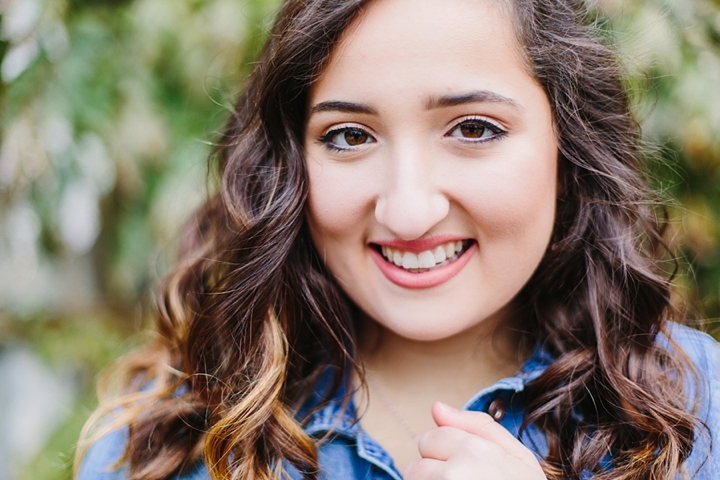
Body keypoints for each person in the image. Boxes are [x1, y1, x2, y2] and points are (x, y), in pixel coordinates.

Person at [75, 0, 720, 479]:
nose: (408, 212)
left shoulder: (700, 406)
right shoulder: (159, 447)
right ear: (290, 165)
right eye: (350, 136)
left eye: (473, 128)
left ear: (568, 148)